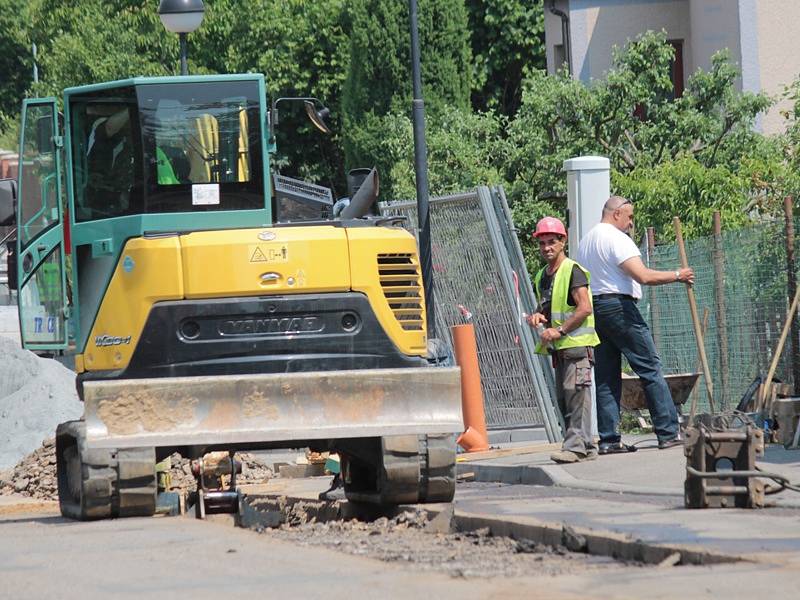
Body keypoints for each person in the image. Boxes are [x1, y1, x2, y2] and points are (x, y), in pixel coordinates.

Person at [576, 196, 695, 454]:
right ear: (616, 213)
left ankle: (609, 440)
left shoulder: (585, 242)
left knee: (606, 377)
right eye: (629, 217)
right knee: (650, 368)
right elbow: (643, 276)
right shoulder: (616, 239)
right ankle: (667, 432)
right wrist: (678, 275)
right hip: (618, 308)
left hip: (595, 310)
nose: (631, 223)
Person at [527, 217, 600, 464]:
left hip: (576, 345)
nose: (546, 247)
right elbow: (547, 308)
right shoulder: (542, 276)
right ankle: (586, 445)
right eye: (542, 243)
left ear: (562, 242)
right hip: (560, 350)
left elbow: (584, 308)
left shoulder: (573, 271)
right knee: (566, 397)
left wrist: (559, 331)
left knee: (576, 394)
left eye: (551, 242)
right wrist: (537, 316)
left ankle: (575, 446)